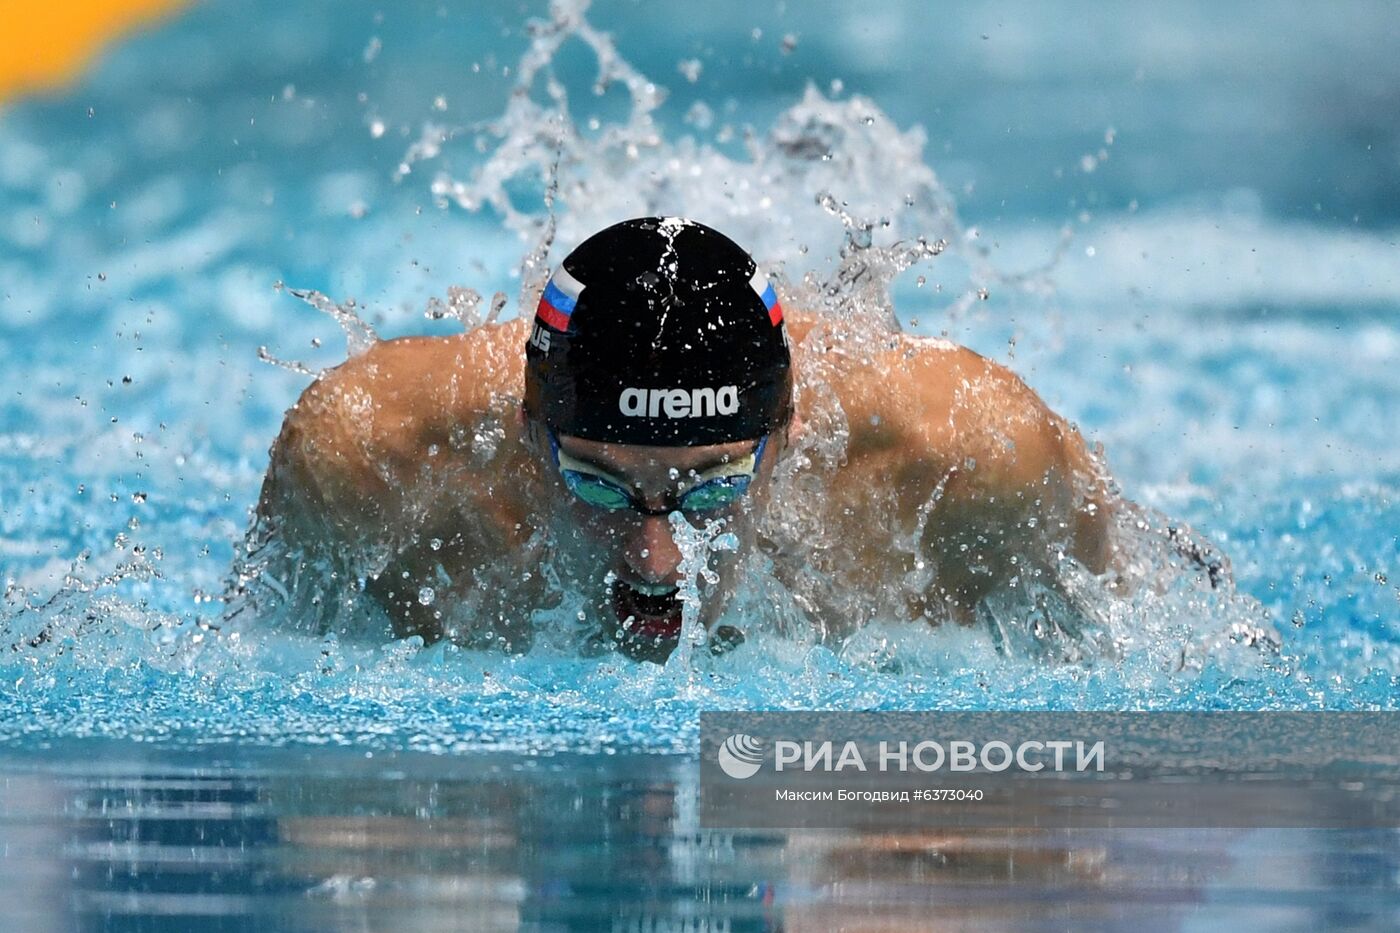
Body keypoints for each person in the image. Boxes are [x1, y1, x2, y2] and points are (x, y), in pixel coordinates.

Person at [243, 216, 1125, 663]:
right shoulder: (368, 460)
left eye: (711, 488)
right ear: (526, 430)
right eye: (595, 484)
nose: (656, 556)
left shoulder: (970, 462)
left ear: (789, 434)